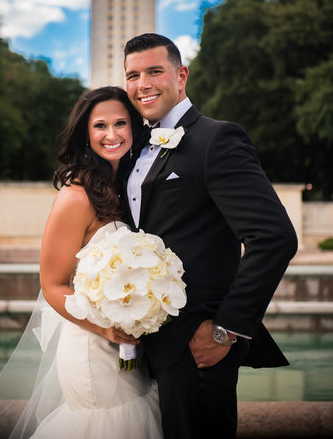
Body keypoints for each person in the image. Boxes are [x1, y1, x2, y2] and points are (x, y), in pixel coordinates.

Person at [123, 33, 298, 439]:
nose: (142, 83)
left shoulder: (216, 139)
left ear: (181, 76)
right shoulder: (134, 148)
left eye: (154, 71)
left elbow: (274, 238)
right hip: (152, 345)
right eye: (133, 75)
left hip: (197, 347)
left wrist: (224, 330)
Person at [0, 86, 162, 439]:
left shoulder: (127, 189)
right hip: (92, 345)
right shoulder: (75, 197)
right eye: (100, 126)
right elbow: (52, 285)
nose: (112, 134)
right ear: (86, 135)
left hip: (127, 343)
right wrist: (104, 328)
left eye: (121, 123)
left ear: (134, 128)